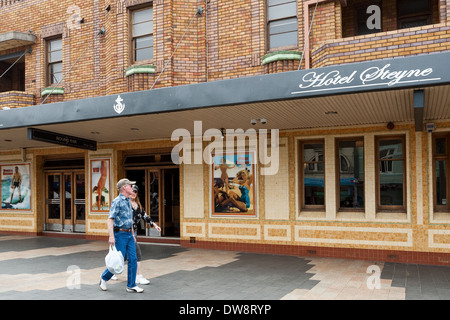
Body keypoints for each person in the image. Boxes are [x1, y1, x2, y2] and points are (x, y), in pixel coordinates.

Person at [99, 178, 143, 293]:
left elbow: (130, 220)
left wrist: (133, 234)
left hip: (129, 234)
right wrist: (111, 236)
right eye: (130, 186)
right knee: (118, 261)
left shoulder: (128, 200)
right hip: (120, 235)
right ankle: (104, 278)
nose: (132, 188)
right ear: (124, 187)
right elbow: (110, 219)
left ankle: (131, 285)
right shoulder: (117, 201)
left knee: (133, 259)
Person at [130, 184, 161, 284]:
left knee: (124, 255)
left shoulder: (138, 206)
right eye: (132, 191)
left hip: (133, 233)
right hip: (126, 233)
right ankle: (138, 276)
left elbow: (145, 216)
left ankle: (111, 271)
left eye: (135, 192)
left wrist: (155, 225)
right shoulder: (125, 205)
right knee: (137, 254)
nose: (133, 193)